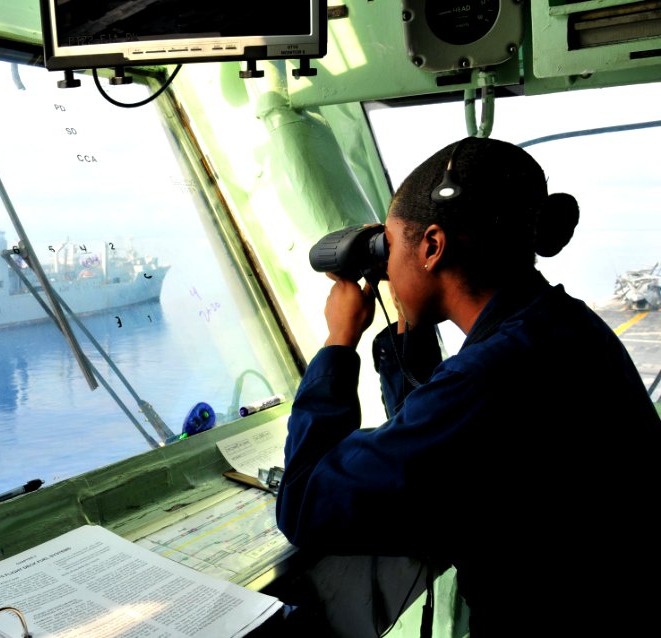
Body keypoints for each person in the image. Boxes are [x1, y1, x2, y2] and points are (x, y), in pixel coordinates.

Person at [275, 137, 661, 636]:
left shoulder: (491, 375)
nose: (385, 270)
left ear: (433, 247)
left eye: (389, 247)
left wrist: (338, 343)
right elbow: (432, 445)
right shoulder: (557, 325)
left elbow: (305, 502)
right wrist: (404, 337)